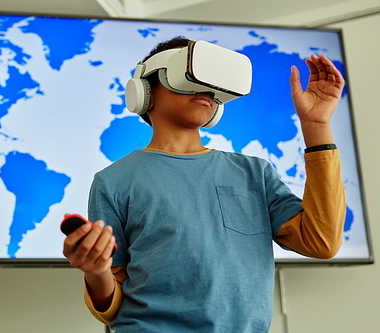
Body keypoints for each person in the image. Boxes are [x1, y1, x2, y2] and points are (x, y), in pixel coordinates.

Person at [63, 36, 345, 332]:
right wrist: (96, 272)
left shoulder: (254, 173)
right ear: (145, 91)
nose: (205, 88)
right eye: (187, 74)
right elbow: (113, 306)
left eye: (212, 80)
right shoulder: (114, 182)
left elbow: (321, 242)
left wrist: (317, 127)